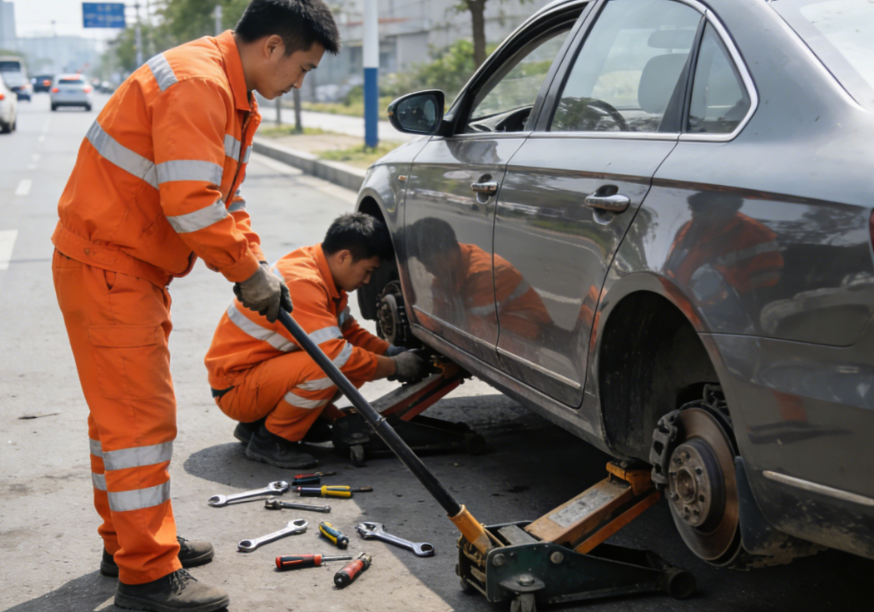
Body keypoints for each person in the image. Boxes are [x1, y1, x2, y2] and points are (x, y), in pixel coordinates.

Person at [51, 2, 340, 610]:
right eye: (304, 68)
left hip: (123, 268)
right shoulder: (199, 84)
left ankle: (129, 543)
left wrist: (257, 265)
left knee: (118, 423)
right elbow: (189, 203)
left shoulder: (231, 93)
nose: (301, 83)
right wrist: (244, 272)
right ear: (272, 47)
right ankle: (148, 577)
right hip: (109, 268)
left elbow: (225, 198)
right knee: (138, 424)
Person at [205, 213, 427, 469]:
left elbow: (349, 332)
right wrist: (396, 366)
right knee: (328, 365)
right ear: (344, 256)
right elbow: (336, 356)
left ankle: (259, 425)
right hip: (236, 389)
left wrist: (390, 352)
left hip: (250, 378)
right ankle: (272, 440)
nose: (367, 281)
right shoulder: (304, 283)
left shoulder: (319, 270)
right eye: (368, 271)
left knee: (342, 358)